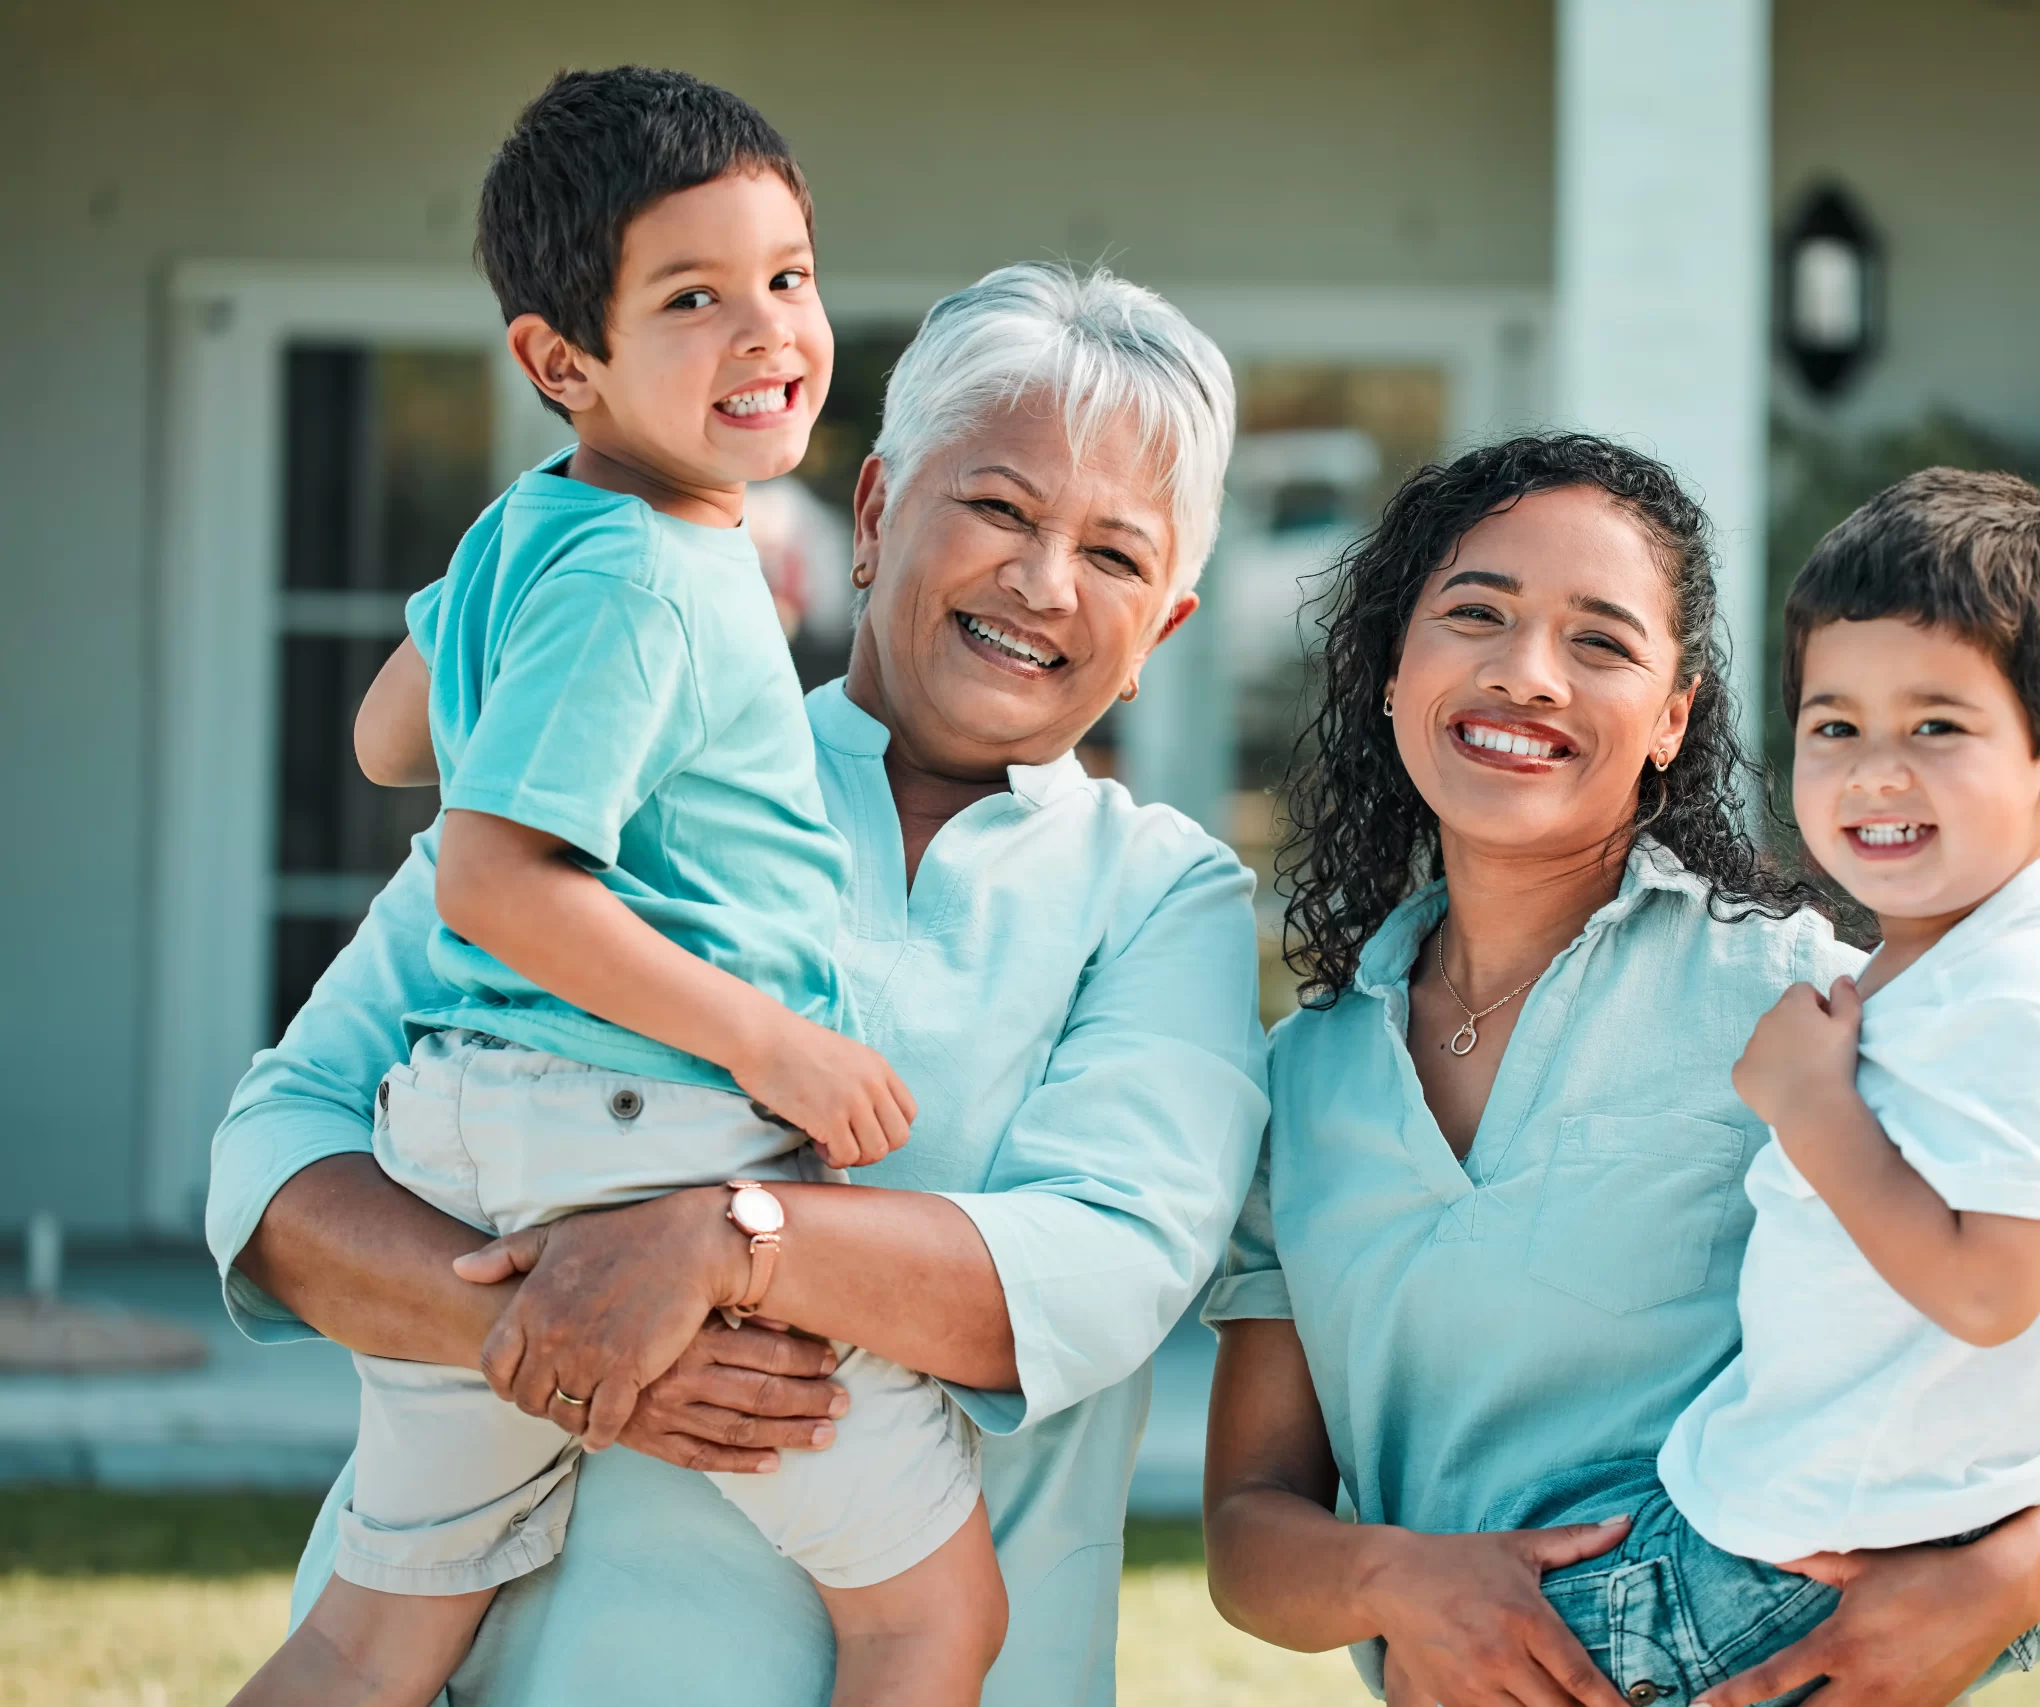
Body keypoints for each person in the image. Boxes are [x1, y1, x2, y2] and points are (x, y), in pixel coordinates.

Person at [207, 257, 1265, 1707]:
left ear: (1166, 629)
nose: (1043, 581)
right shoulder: (631, 722)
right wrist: (555, 1332)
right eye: (1001, 508)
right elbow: (278, 1165)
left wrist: (725, 1243)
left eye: (1117, 555)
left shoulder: (1162, 894)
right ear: (883, 510)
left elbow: (1097, 1264)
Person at [1202, 435, 2040, 1707]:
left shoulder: (1805, 1003)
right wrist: (1398, 1583)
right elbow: (1251, 1533)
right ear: (1391, 671)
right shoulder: (1302, 1085)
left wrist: (1993, 1593)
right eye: (1474, 615)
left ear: (1673, 718)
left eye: (1600, 642)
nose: (1527, 674)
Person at [238, 66, 998, 1707]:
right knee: (937, 1611)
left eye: (787, 278)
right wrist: (773, 1048)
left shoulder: (539, 531)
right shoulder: (653, 576)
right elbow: (497, 881)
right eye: (694, 297)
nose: (768, 333)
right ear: (557, 358)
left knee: (379, 1631)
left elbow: (389, 738)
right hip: (641, 1128)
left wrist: (495, 641)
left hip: (478, 1132)